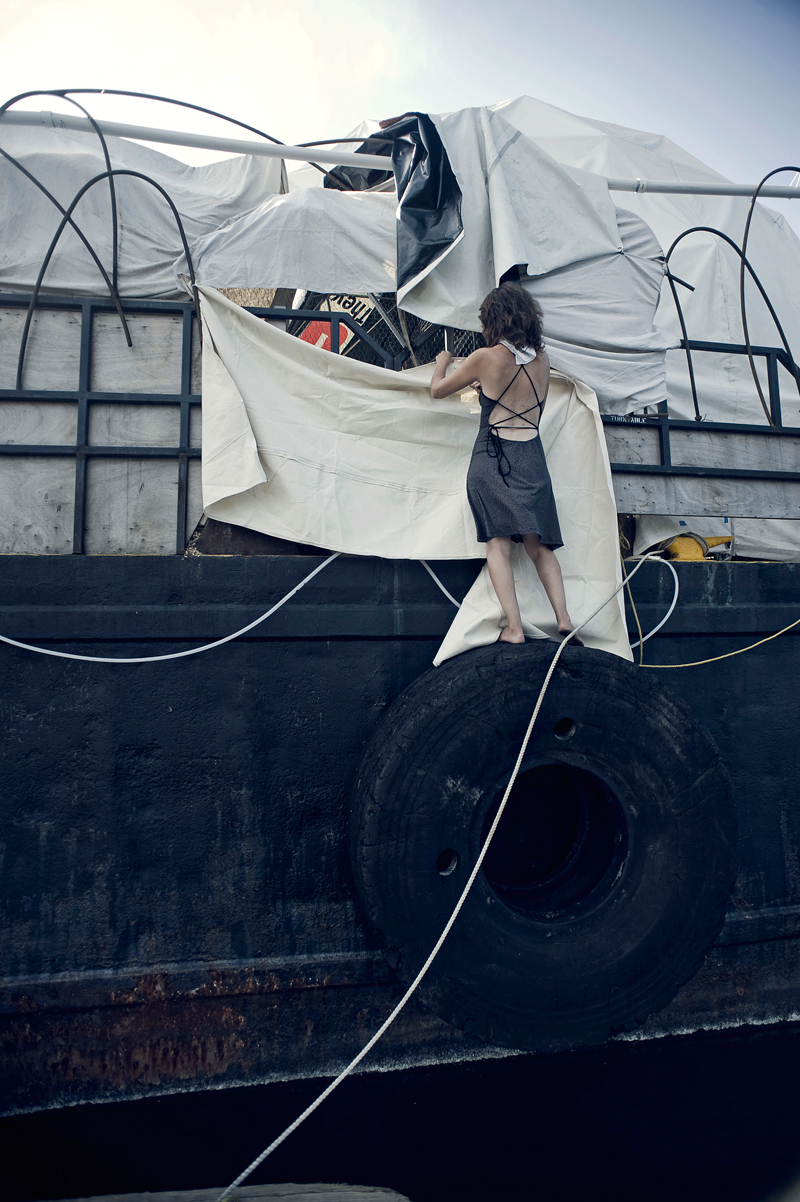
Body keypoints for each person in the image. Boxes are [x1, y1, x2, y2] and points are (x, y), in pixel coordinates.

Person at [429, 282, 582, 646]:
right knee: (539, 545)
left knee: (498, 544)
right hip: (532, 458)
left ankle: (514, 629)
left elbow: (437, 390)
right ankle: (564, 619)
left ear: (494, 320)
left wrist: (442, 363)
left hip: (493, 457)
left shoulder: (486, 356)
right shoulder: (543, 360)